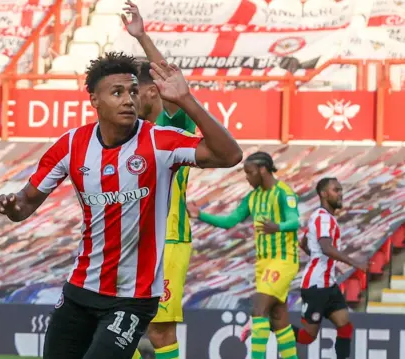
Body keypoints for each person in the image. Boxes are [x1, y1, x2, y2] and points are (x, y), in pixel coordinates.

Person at [0, 52, 243, 359]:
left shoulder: (160, 142)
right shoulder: (71, 145)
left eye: (133, 92)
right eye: (117, 92)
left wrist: (187, 99)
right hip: (81, 289)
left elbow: (230, 155)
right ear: (94, 100)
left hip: (133, 297)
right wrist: (10, 206)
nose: (128, 100)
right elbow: (26, 204)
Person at [122, 2, 196, 358]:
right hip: (129, 239)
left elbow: (169, 77)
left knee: (160, 327)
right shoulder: (128, 133)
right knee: (117, 321)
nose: (129, 99)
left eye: (135, 91)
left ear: (152, 92)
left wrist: (142, 37)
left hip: (168, 239)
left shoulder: (174, 127)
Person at [188, 152, 300, 359]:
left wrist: (278, 226)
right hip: (263, 264)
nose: (247, 178)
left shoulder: (284, 193)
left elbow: (295, 221)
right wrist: (199, 215)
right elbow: (230, 221)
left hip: (283, 260)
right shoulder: (253, 197)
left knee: (259, 309)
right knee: (278, 317)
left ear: (263, 170)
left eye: (249, 173)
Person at [291, 177, 366, 358]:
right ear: (323, 194)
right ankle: (266, 323)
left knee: (345, 326)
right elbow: (325, 247)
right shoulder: (323, 218)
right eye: (336, 190)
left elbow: (304, 244)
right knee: (307, 337)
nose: (340, 193)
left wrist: (322, 261)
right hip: (316, 285)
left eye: (340, 190)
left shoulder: (321, 217)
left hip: (328, 284)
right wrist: (355, 263)